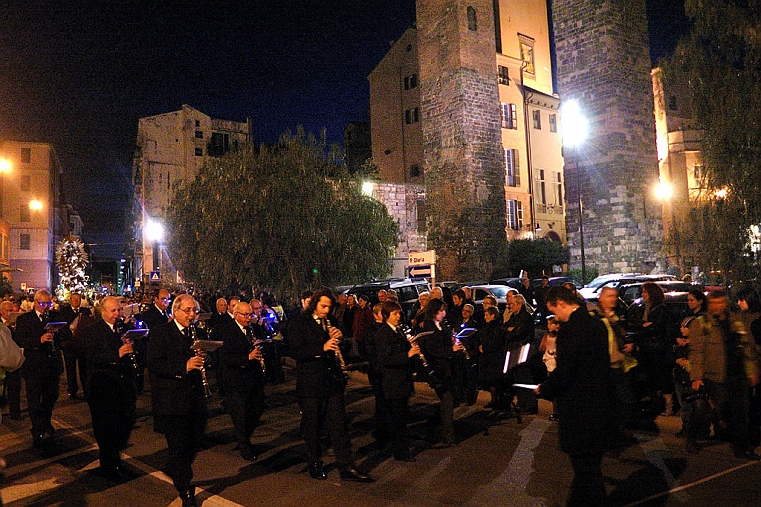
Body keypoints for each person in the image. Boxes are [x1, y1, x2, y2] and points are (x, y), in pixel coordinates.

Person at [536, 286, 615, 507]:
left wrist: (544, 389)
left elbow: (565, 373)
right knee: (590, 472)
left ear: (561, 302)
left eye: (554, 311)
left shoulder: (570, 331)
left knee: (586, 473)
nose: (556, 318)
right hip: (599, 407)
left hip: (579, 411)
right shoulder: (597, 324)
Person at [287, 287, 372, 482]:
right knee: (313, 426)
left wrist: (339, 338)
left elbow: (341, 340)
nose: (326, 310)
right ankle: (314, 462)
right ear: (314, 304)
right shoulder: (300, 322)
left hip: (331, 381)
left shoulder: (331, 321)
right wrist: (322, 347)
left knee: (339, 425)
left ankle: (346, 466)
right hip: (311, 383)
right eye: (322, 306)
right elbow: (297, 351)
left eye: (329, 307)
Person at [147, 294, 209, 506]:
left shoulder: (197, 333)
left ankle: (176, 468)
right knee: (179, 446)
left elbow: (211, 361)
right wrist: (184, 366)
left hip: (194, 399)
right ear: (176, 312)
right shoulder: (161, 333)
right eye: (188, 311)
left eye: (195, 311)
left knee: (193, 442)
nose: (192, 315)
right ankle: (185, 489)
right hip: (172, 400)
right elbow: (155, 364)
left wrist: (206, 358)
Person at [687, 290, 760, 459]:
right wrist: (696, 377)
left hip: (737, 375)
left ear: (725, 303)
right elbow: (696, 352)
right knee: (711, 411)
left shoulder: (736, 321)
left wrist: (751, 372)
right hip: (714, 376)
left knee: (740, 412)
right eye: (713, 303)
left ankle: (742, 448)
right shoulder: (701, 324)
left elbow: (746, 348)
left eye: (720, 303)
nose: (716, 307)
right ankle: (692, 436)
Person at [82, 296, 137, 480]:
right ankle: (109, 465)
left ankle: (114, 459)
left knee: (123, 425)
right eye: (113, 311)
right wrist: (117, 354)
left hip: (123, 387)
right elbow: (92, 357)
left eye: (119, 310)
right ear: (103, 312)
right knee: (105, 429)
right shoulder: (92, 331)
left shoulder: (124, 329)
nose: (117, 314)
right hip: (102, 388)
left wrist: (134, 345)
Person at [16, 290, 65, 450]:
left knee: (51, 397)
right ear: (35, 303)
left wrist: (59, 332)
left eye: (48, 303)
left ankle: (46, 422)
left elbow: (68, 334)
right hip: (35, 366)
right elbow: (20, 340)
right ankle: (37, 430)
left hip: (52, 366)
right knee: (35, 401)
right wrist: (39, 340)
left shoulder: (55, 317)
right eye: (42, 304)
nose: (45, 307)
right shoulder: (24, 319)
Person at [219, 301, 265, 460]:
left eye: (250, 314)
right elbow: (226, 357)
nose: (248, 318)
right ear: (236, 315)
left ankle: (243, 437)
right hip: (236, 380)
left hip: (252, 378)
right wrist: (247, 357)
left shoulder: (251, 329)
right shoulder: (227, 331)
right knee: (240, 415)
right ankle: (244, 445)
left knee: (257, 408)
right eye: (245, 315)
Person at [374, 301, 419, 461]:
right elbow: (385, 359)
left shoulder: (399, 330)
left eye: (399, 313)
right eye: (395, 314)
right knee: (397, 419)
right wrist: (408, 355)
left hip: (402, 380)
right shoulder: (383, 334)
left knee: (402, 416)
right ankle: (400, 451)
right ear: (387, 316)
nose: (398, 316)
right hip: (393, 382)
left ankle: (401, 447)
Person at [417, 298, 465, 447]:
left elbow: (445, 343)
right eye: (441, 311)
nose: (444, 314)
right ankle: (448, 436)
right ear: (434, 312)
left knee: (448, 401)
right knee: (447, 400)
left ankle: (438, 428)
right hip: (438, 371)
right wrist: (452, 350)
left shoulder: (442, 326)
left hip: (447, 370)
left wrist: (454, 342)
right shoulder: (429, 328)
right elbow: (433, 350)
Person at [59, 293, 92, 400]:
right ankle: (72, 390)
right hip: (69, 344)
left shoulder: (85, 311)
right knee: (70, 369)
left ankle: (87, 391)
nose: (76, 301)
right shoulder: (64, 311)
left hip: (82, 345)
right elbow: (62, 327)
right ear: (70, 300)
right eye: (74, 299)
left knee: (84, 368)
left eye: (78, 299)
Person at [477, 306, 506, 409]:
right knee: (490, 380)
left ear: (493, 315)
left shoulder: (496, 327)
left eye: (486, 315)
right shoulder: (488, 326)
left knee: (494, 380)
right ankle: (494, 400)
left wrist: (485, 347)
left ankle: (497, 401)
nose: (485, 317)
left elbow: (495, 341)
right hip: (488, 357)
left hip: (494, 358)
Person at [1, 301, 23, 420]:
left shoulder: (18, 324)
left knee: (15, 387)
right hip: (2, 360)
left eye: (11, 310)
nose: (9, 313)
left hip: (13, 361)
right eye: (7, 311)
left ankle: (15, 412)